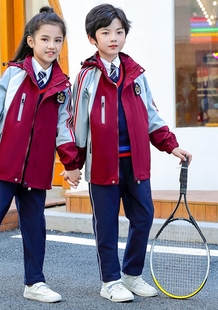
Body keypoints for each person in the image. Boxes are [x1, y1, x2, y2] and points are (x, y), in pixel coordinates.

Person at [0, 6, 81, 308]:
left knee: (35, 224)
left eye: (58, 40)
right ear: (31, 41)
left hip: (36, 170)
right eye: (45, 39)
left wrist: (72, 165)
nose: (52, 46)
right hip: (1, 165)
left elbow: (65, 128)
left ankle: (34, 282)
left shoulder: (63, 86)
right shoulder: (14, 74)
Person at [72, 4, 192, 303]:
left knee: (144, 217)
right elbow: (77, 123)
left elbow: (151, 115)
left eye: (119, 32)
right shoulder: (87, 77)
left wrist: (171, 144)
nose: (114, 37)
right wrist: (73, 163)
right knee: (107, 224)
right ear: (92, 38)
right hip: (103, 166)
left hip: (136, 164)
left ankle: (131, 274)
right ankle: (110, 281)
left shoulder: (136, 75)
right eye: (106, 32)